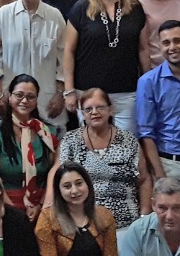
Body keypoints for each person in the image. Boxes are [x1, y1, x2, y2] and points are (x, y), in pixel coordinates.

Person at [63, 0, 149, 134]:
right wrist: (69, 91)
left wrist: (147, 84)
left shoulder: (135, 8)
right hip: (88, 93)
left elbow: (143, 49)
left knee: (126, 144)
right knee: (93, 144)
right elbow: (69, 51)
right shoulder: (80, 8)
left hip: (126, 92)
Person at [136, 21, 180, 215]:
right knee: (171, 223)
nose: (172, 47)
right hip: (169, 164)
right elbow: (146, 132)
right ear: (159, 46)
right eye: (166, 43)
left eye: (177, 41)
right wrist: (160, 175)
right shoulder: (148, 82)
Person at [0, 0, 67, 130]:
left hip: (47, 101)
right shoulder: (4, 14)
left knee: (49, 143)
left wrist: (60, 94)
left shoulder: (55, 16)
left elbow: (64, 60)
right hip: (10, 98)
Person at [55, 88, 149, 230]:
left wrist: (143, 218)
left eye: (100, 107)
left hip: (126, 224)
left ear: (110, 110)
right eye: (88, 109)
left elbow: (144, 180)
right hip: (82, 225)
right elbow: (60, 180)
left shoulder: (128, 141)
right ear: (82, 113)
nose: (94, 112)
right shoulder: (70, 141)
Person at [0, 74, 57, 220]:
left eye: (31, 97)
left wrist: (41, 205)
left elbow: (55, 172)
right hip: (5, 203)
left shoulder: (48, 132)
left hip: (43, 204)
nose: (24, 101)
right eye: (19, 95)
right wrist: (13, 210)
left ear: (36, 100)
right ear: (9, 97)